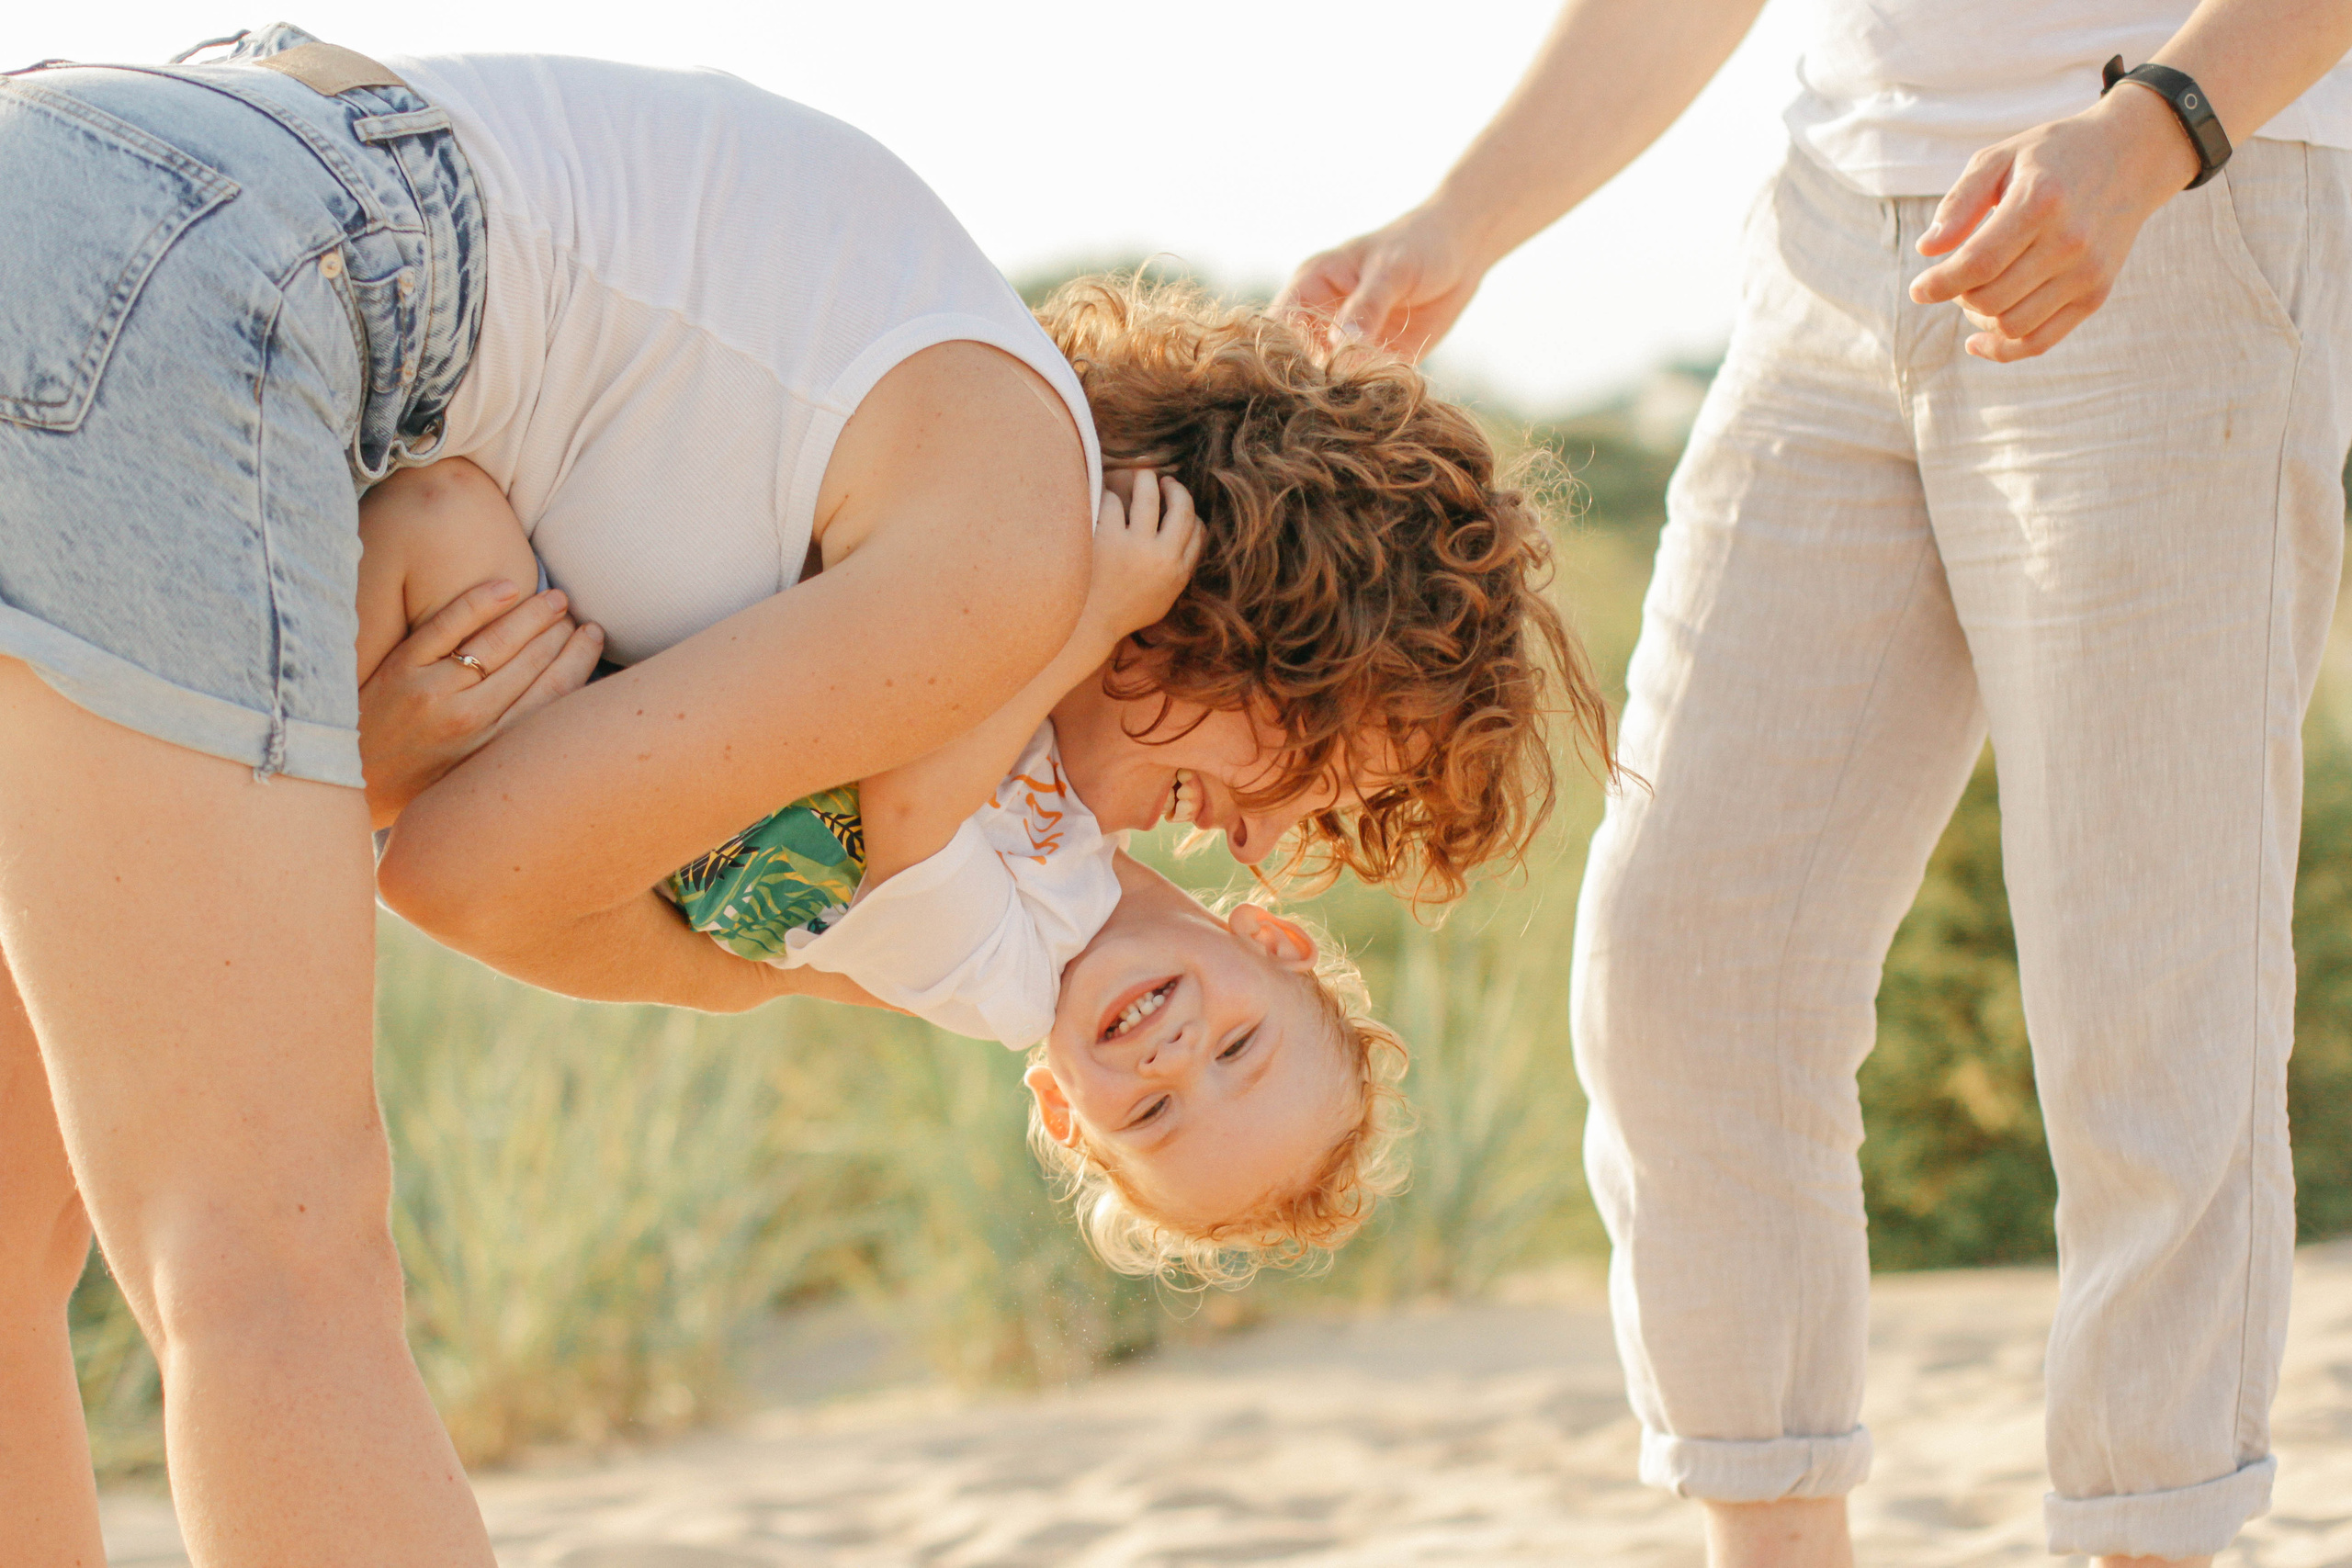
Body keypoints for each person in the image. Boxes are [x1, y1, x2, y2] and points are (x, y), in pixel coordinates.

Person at [0, 28, 1589, 1567]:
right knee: (275, 1263)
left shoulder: (942, 421)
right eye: (1240, 780)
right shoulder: (1011, 558)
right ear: (1214, 615)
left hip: (116, 187)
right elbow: (468, 874)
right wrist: (780, 966)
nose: (1219, 839)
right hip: (197, 277)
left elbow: (468, 674)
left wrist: (372, 749)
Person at [1280, 0, 2352, 1563]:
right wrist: (1466, 217)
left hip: (2175, 201)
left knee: (2150, 998)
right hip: (1831, 242)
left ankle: (2152, 1540)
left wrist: (2155, 133)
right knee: (1681, 961)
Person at [357, 456, 1409, 1278]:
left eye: (1149, 1115)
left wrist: (1098, 614)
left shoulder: (998, 982)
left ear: (1060, 1111)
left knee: (434, 517)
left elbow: (904, 807)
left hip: (589, 738)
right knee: (453, 498)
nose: (1174, 1058)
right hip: (678, 673)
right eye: (1237, 1049)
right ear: (1273, 942)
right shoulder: (1087, 849)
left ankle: (317, 775)